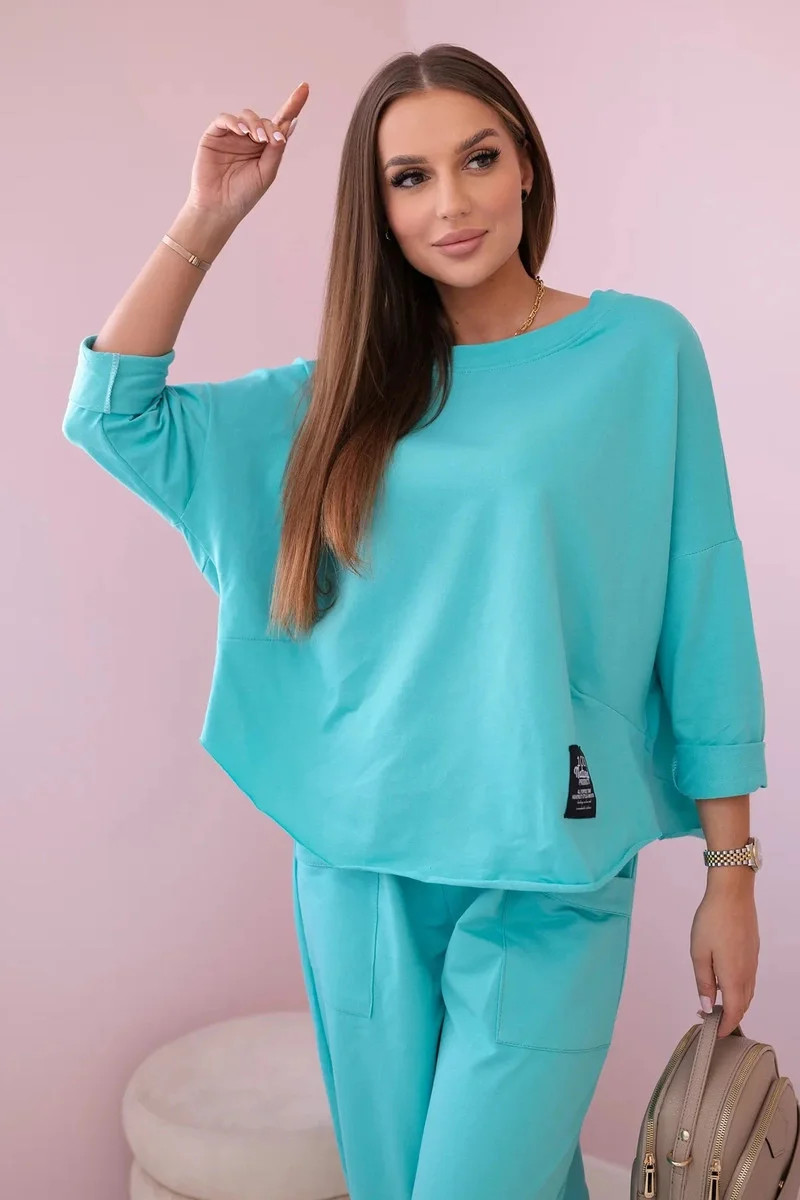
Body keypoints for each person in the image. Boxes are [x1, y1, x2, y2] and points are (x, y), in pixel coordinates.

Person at [62, 43, 766, 1200]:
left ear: (525, 165)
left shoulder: (640, 352)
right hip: (360, 868)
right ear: (378, 210)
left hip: (549, 862)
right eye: (409, 178)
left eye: (477, 159)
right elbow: (112, 417)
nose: (450, 203)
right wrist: (207, 217)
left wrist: (728, 875)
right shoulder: (338, 396)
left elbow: (702, 600)